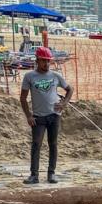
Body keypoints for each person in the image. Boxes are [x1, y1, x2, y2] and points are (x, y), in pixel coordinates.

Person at [18, 47, 72, 184]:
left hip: (54, 116)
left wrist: (64, 103)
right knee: (36, 144)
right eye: (43, 61)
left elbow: (70, 89)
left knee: (53, 144)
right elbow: (23, 98)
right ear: (37, 60)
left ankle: (51, 174)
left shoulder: (55, 76)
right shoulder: (29, 77)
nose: (46, 64)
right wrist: (28, 115)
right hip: (38, 117)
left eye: (48, 61)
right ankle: (34, 175)